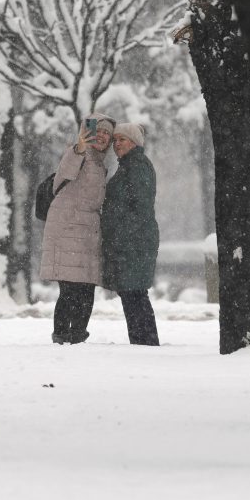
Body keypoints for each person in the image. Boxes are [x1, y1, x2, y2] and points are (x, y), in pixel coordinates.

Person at [40, 112, 116, 344]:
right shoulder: (79, 153)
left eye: (107, 134)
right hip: (68, 229)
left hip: (87, 232)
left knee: (86, 288)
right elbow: (66, 169)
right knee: (71, 288)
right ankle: (63, 334)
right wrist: (80, 146)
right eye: (99, 131)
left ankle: (77, 334)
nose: (102, 136)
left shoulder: (101, 162)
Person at [101, 123, 160, 346]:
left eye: (122, 140)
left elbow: (141, 208)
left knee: (134, 294)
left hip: (135, 243)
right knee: (132, 294)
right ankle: (143, 343)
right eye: (115, 140)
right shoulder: (128, 165)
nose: (117, 144)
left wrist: (120, 235)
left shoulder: (138, 166)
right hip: (130, 241)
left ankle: (146, 344)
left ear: (134, 142)